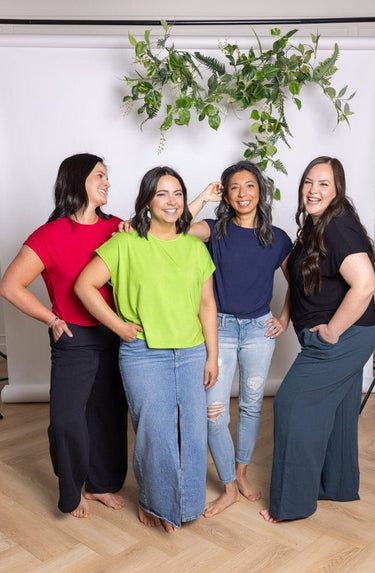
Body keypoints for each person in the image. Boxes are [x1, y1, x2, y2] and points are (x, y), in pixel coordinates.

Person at [74, 165, 218, 534]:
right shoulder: (125, 243)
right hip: (143, 354)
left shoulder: (194, 246)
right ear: (147, 201)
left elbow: (207, 305)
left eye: (178, 194)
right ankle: (156, 502)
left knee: (192, 432)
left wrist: (213, 355)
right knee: (155, 433)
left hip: (190, 353)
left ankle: (186, 504)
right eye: (162, 194)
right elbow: (85, 285)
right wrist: (118, 325)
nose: (172, 202)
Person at [0, 153, 128, 518]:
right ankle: (72, 490)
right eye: (99, 176)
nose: (106, 182)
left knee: (108, 413)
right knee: (67, 419)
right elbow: (10, 285)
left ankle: (103, 484)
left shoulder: (118, 227)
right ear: (77, 181)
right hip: (73, 338)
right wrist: (50, 318)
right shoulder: (49, 234)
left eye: (107, 176)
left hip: (114, 333)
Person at [260, 156, 375, 523]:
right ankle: (337, 486)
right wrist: (285, 316)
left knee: (292, 405)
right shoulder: (315, 226)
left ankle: (292, 505)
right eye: (308, 182)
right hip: (343, 335)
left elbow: (366, 284)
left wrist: (332, 331)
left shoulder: (338, 228)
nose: (313, 190)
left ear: (337, 190)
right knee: (340, 408)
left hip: (344, 337)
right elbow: (300, 279)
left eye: (324, 184)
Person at [188, 160, 293, 517]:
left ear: (260, 191)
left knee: (250, 406)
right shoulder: (214, 230)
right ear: (227, 195)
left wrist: (284, 317)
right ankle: (229, 486)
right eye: (234, 187)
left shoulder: (278, 238)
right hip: (218, 329)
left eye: (249, 186)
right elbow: (173, 227)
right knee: (214, 412)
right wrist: (203, 196)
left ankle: (242, 473)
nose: (243, 193)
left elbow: (299, 278)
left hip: (258, 332)